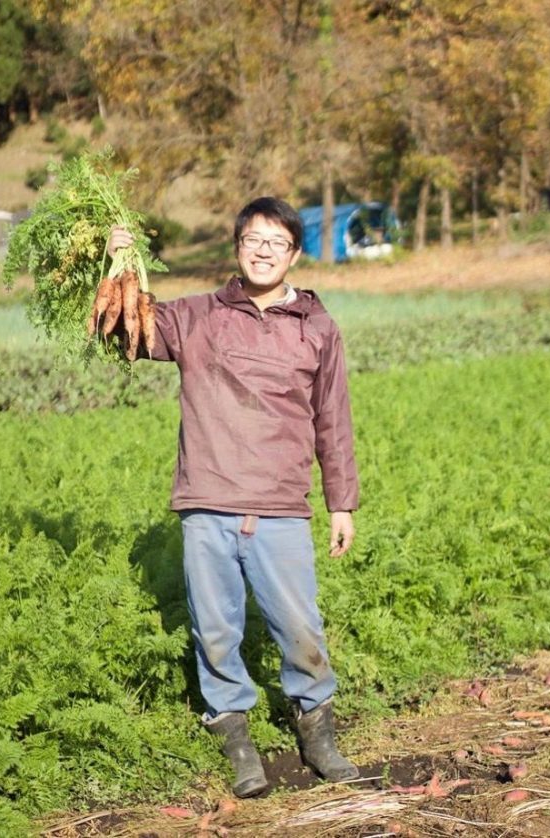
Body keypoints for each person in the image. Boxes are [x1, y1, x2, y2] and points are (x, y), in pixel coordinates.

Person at [106, 197, 360, 797]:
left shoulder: (316, 327)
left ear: (295, 254)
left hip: (280, 505)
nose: (264, 249)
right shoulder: (195, 316)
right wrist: (119, 263)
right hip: (209, 501)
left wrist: (341, 502)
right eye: (253, 239)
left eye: (277, 241)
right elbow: (125, 331)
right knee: (215, 629)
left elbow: (333, 419)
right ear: (237, 247)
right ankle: (236, 737)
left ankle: (317, 729)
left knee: (301, 626)